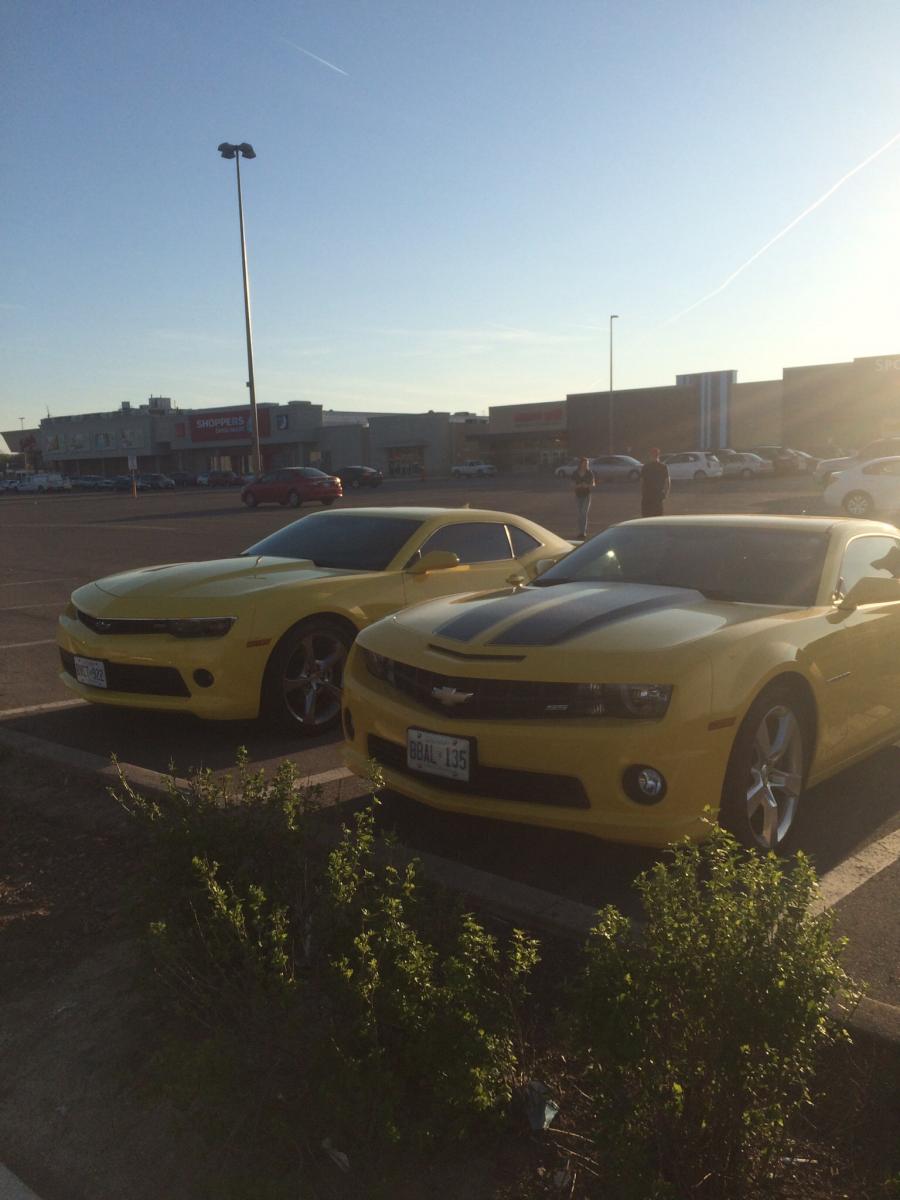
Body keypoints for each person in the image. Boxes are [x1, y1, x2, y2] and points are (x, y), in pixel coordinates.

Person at [640, 448, 670, 517]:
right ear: (658, 455)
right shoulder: (663, 467)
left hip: (647, 496)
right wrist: (666, 493)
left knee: (646, 517)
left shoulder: (645, 467)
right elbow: (667, 482)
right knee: (657, 518)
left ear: (650, 455)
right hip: (658, 496)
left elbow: (642, 482)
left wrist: (643, 493)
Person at [572, 456, 595, 538]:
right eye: (584, 463)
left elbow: (593, 484)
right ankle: (579, 531)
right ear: (580, 464)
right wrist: (578, 486)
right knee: (579, 514)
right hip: (578, 495)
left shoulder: (589, 473)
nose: (586, 465)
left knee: (584, 514)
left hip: (586, 495)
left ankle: (583, 532)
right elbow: (572, 485)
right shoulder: (575, 473)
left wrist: (587, 485)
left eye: (587, 464)